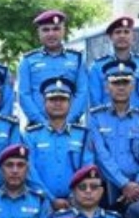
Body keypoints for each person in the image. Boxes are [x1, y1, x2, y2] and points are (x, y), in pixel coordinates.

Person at [88, 61, 139, 208]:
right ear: (106, 87)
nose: (121, 87)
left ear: (133, 86)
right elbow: (100, 154)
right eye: (115, 83)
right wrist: (124, 183)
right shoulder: (95, 117)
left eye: (125, 82)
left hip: (138, 188)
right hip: (105, 187)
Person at [23, 76, 95, 206]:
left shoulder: (82, 135)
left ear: (70, 103)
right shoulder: (31, 136)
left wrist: (74, 197)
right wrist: (50, 198)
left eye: (62, 99)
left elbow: (87, 169)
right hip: (40, 203)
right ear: (44, 102)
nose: (58, 103)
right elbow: (30, 172)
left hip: (75, 204)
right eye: (52, 99)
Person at [18, 9, 88, 123]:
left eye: (56, 29)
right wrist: (42, 123)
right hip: (38, 126)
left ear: (63, 31)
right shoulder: (28, 61)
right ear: (39, 33)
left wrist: (68, 121)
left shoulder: (77, 59)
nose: (51, 34)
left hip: (70, 126)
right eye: (45, 30)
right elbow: (24, 95)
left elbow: (82, 92)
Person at [87, 16, 139, 112]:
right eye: (118, 32)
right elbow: (95, 100)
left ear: (133, 36)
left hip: (138, 118)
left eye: (126, 32)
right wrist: (105, 118)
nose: (122, 36)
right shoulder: (97, 66)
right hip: (107, 119)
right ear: (110, 37)